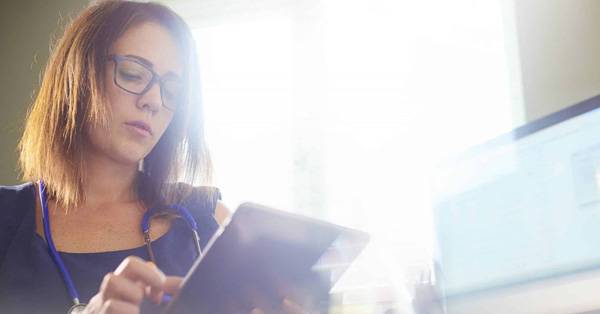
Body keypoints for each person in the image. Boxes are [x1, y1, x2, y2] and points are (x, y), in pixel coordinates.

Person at [0, 1, 312, 313]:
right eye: (134, 74)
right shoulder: (6, 216)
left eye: (172, 91)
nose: (153, 100)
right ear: (78, 76)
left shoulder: (209, 222)